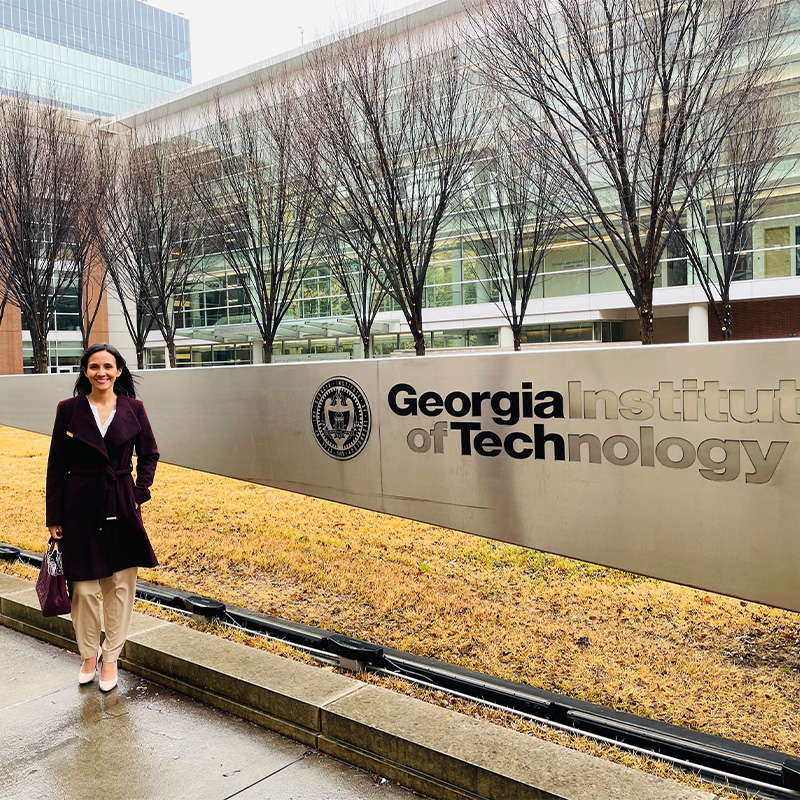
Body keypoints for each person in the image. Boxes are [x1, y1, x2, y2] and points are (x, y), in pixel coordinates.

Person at [46, 342, 159, 692]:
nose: (102, 373)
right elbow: (56, 465)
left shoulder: (134, 408)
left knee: (120, 586)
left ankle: (110, 657)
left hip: (121, 504)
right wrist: (54, 516)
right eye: (94, 367)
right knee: (82, 587)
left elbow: (150, 454)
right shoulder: (68, 410)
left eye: (108, 366)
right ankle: (88, 653)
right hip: (78, 507)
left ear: (119, 370)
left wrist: (138, 492)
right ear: (85, 371)